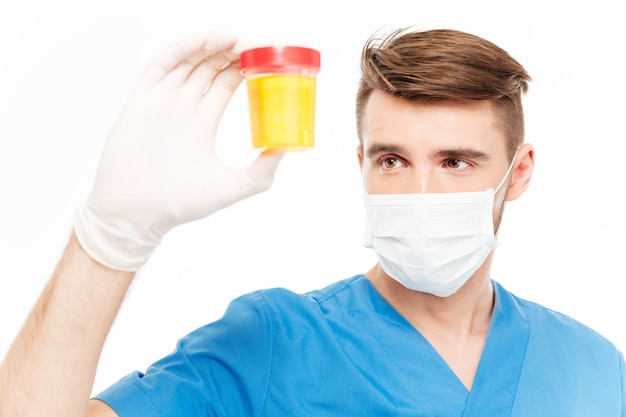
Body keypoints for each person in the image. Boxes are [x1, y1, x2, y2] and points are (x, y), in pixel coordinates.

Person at [0, 27, 624, 417]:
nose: (420, 190)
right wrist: (108, 237)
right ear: (361, 165)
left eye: (457, 162)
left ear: (517, 174)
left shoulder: (594, 368)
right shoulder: (274, 344)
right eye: (392, 159)